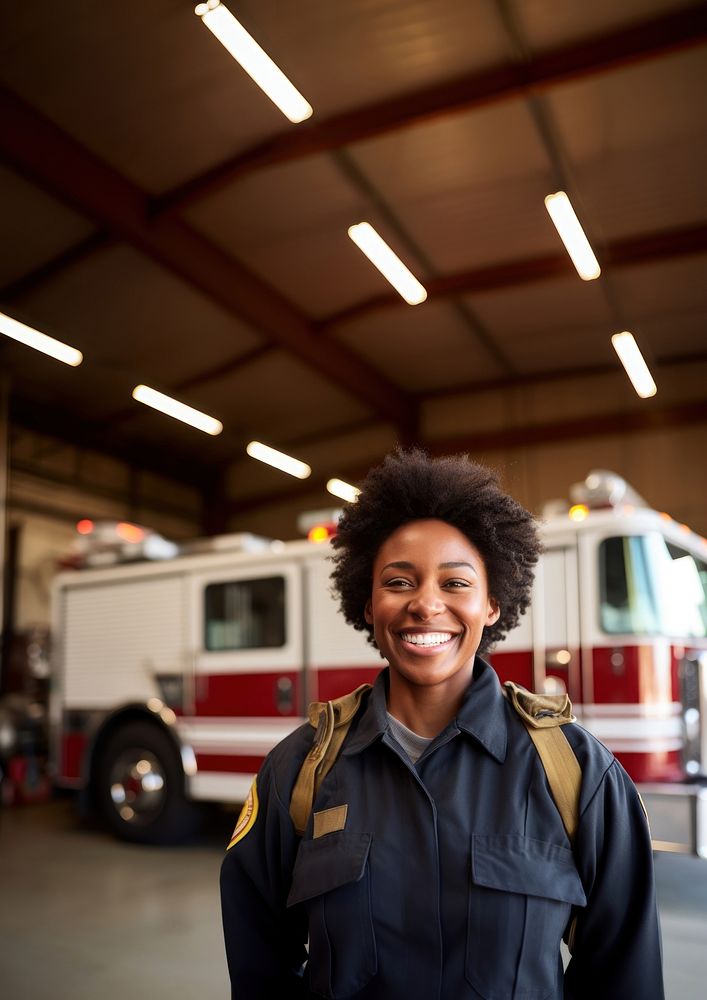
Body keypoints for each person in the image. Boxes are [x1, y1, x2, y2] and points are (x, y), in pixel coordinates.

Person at [220, 449, 665, 999]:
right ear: (368, 604)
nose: (426, 605)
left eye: (455, 584)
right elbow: (261, 969)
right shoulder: (298, 771)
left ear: (493, 604)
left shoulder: (578, 774)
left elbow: (625, 977)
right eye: (399, 582)